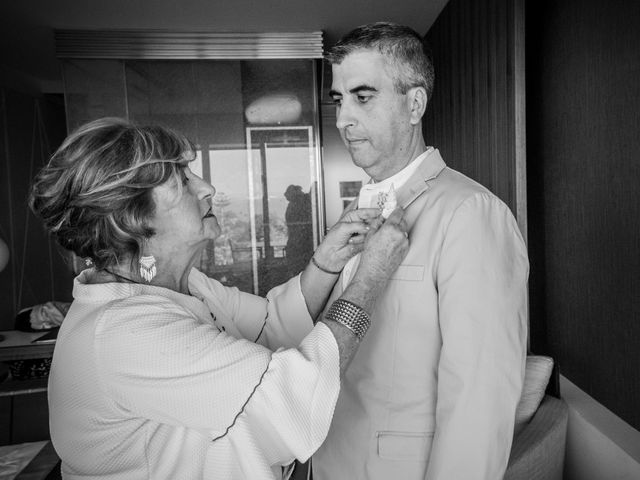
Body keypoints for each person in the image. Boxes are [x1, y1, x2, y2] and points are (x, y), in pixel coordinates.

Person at [29, 117, 409, 480]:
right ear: (131, 217)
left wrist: (327, 261)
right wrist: (370, 277)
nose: (206, 187)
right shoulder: (124, 335)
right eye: (182, 179)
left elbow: (268, 327)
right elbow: (291, 392)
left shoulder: (188, 286)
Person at [311, 22, 529, 480]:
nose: (343, 119)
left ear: (414, 104)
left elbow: (479, 399)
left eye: (362, 97)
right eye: (338, 99)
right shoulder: (357, 209)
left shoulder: (471, 212)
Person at [284, 184, 314, 277]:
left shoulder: (294, 205)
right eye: (300, 193)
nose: (302, 194)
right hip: (300, 243)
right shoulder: (297, 205)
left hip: (299, 242)